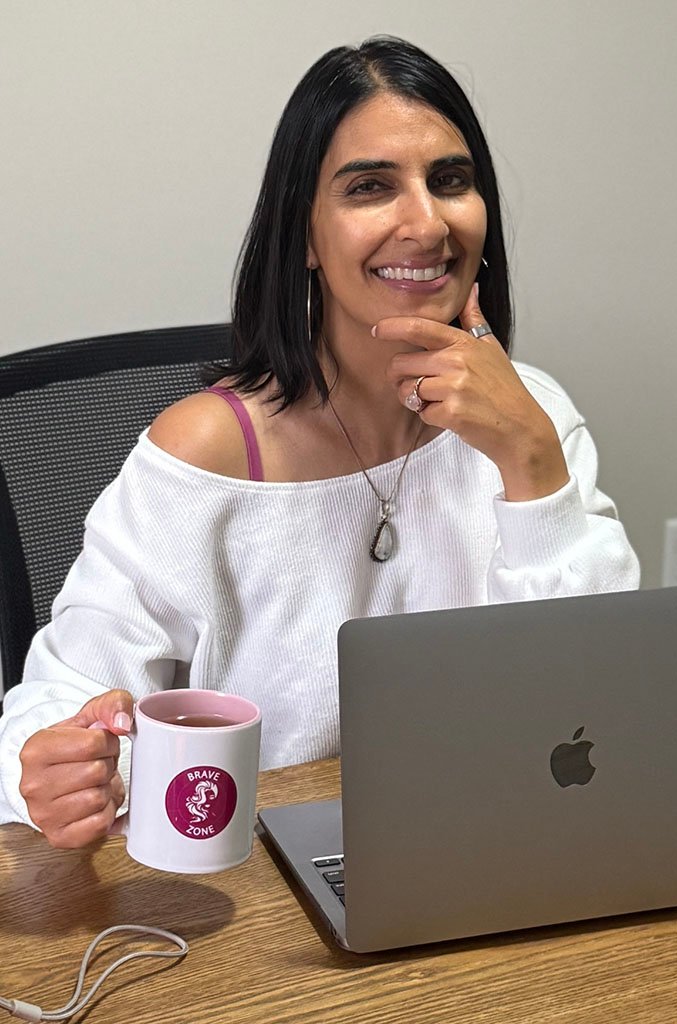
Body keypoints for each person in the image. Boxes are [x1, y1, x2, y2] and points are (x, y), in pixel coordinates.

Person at [0, 37, 640, 848]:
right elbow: (62, 695)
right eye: (371, 187)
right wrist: (52, 767)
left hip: (499, 844)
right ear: (303, 235)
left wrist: (531, 466)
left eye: (451, 181)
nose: (427, 221)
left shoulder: (531, 414)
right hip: (260, 886)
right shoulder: (207, 452)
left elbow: (594, 706)